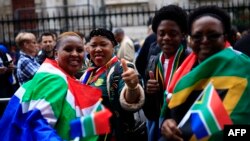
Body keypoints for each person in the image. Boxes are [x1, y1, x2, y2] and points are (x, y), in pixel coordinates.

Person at [0, 32, 112, 141]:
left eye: (79, 50)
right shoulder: (55, 80)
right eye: (68, 49)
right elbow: (38, 125)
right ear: (56, 54)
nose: (75, 54)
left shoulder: (61, 77)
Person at [161, 5, 250, 141]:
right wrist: (166, 125)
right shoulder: (183, 75)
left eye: (213, 35)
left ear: (224, 37)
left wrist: (219, 135)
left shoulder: (245, 68)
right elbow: (170, 116)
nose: (205, 41)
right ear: (190, 40)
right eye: (197, 36)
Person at [80, 28, 145, 141]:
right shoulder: (89, 72)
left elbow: (128, 100)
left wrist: (132, 87)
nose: (98, 49)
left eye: (103, 44)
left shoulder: (121, 68)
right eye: (94, 45)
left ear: (113, 46)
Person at [141, 5, 190, 141]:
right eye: (161, 33)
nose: (166, 38)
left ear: (183, 34)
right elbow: (149, 111)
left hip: (181, 128)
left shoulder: (190, 61)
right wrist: (149, 92)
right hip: (157, 126)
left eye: (173, 34)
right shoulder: (153, 62)